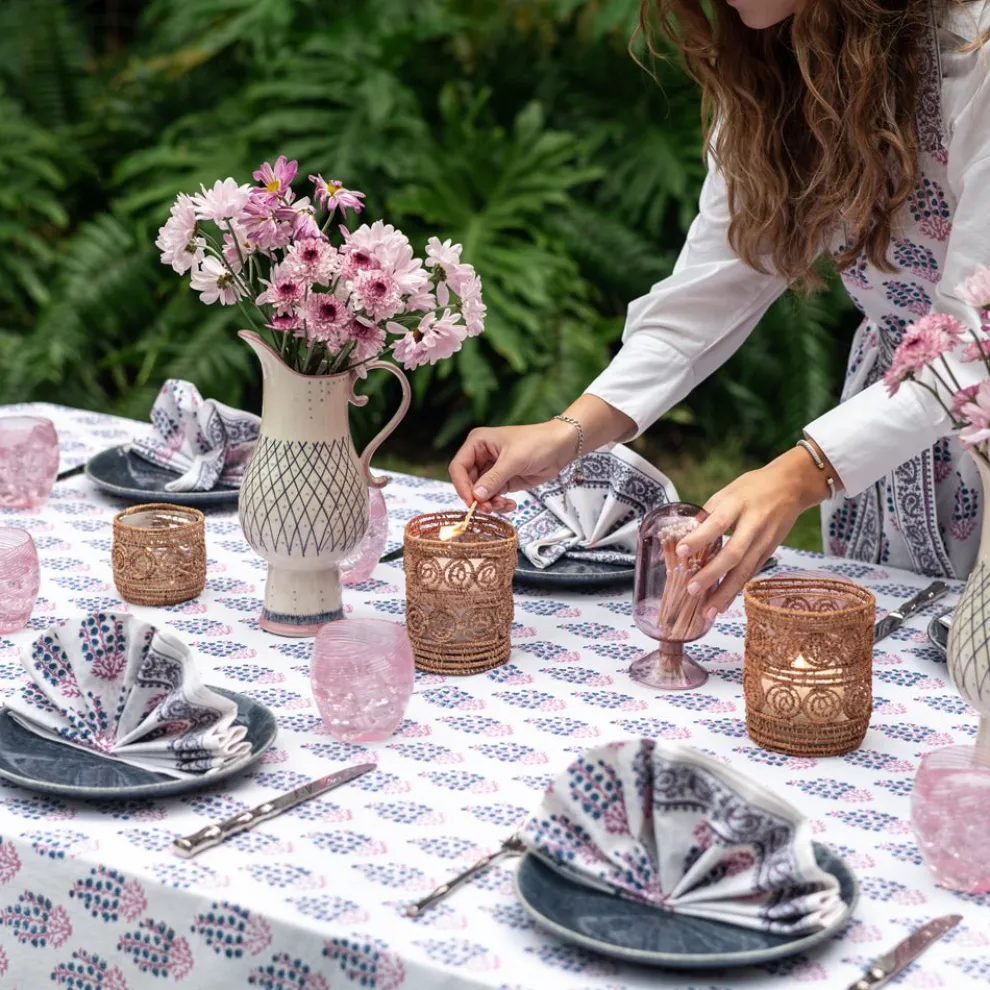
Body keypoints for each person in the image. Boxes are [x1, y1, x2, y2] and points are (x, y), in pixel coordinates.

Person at [449, 0, 990, 616]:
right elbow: (707, 295)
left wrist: (797, 475)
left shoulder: (975, 52)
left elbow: (976, 343)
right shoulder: (775, 60)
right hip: (883, 431)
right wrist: (568, 432)